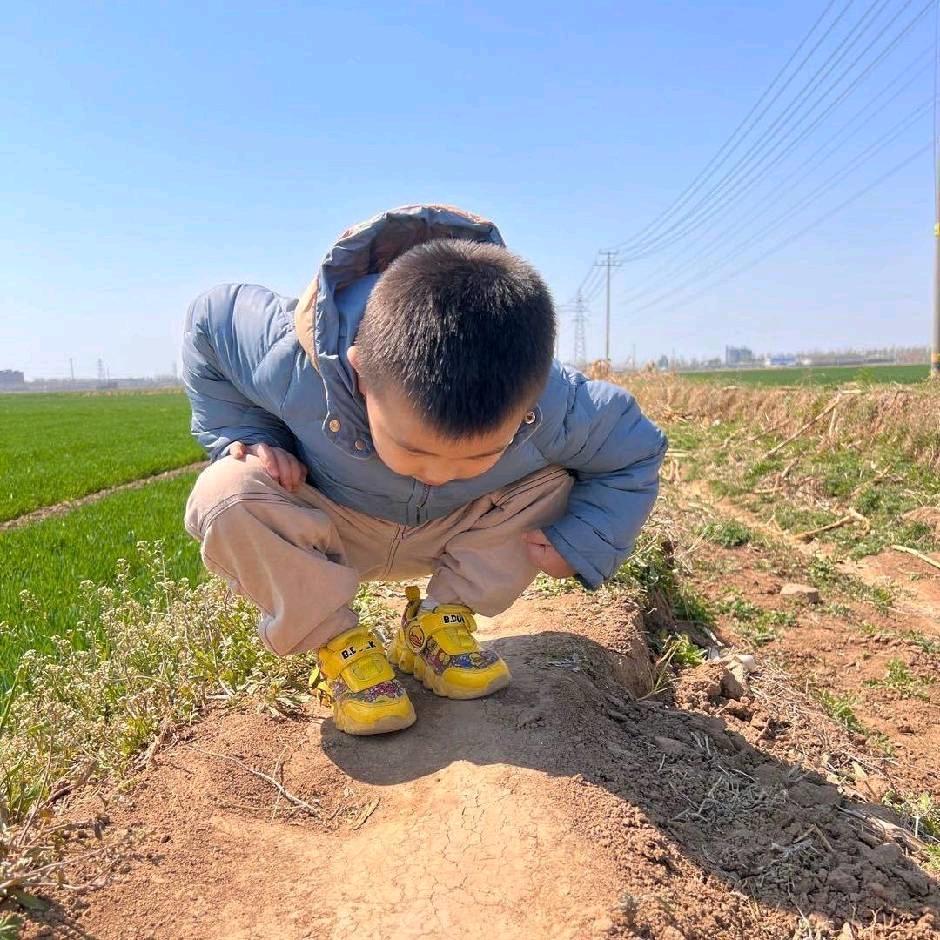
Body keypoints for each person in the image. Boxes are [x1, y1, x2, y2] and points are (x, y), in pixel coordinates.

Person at [182, 204, 667, 736]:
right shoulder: (295, 359)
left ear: (531, 399)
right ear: (360, 373)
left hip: (462, 529)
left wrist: (584, 541)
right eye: (415, 450)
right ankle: (338, 642)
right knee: (225, 492)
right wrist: (248, 436)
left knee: (558, 478)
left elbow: (636, 451)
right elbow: (208, 321)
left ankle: (436, 625)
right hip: (336, 526)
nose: (439, 474)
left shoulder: (556, 402)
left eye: (480, 455)